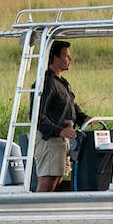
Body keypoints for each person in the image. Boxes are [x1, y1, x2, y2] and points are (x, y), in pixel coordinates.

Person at [32, 40, 89, 192]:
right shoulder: (47, 83)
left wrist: (85, 118)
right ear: (54, 58)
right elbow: (37, 115)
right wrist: (59, 131)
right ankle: (35, 213)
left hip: (62, 140)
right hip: (49, 140)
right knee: (47, 181)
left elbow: (71, 107)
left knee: (57, 180)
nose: (69, 59)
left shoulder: (63, 83)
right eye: (65, 55)